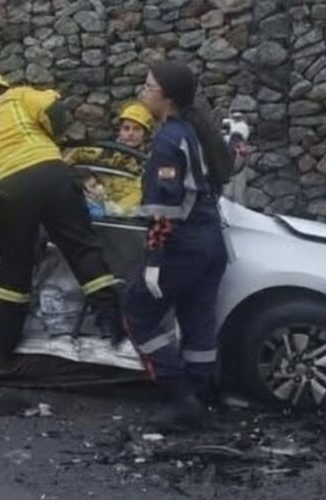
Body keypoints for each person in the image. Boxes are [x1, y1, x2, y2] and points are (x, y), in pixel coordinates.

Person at [0, 71, 128, 368]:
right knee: (82, 248)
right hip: (53, 174)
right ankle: (113, 325)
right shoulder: (19, 95)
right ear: (2, 87)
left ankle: (2, 348)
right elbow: (54, 110)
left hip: (10, 189)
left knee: (14, 265)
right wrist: (52, 135)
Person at [126, 61, 233, 431]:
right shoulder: (192, 130)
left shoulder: (169, 140)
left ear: (167, 97)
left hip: (183, 245)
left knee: (137, 313)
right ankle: (202, 394)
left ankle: (179, 396)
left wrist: (154, 259)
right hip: (211, 242)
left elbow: (163, 209)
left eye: (149, 85)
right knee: (197, 320)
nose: (143, 90)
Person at [65, 101, 156, 216]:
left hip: (121, 218)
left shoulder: (149, 162)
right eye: (126, 128)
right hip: (90, 207)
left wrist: (113, 209)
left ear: (145, 134)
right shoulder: (103, 152)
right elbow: (68, 161)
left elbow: (138, 196)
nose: (130, 134)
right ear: (120, 131)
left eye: (136, 129)